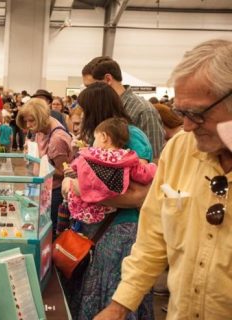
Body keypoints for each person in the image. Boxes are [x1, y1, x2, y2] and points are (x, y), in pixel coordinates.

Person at [94, 39, 232, 320]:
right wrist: (120, 306)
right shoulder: (181, 148)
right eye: (182, 113)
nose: (188, 126)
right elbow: (153, 236)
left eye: (198, 114)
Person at [65, 82, 154, 320]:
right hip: (97, 231)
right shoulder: (96, 138)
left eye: (84, 111)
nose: (81, 117)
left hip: (119, 230)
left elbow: (140, 194)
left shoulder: (132, 136)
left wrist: (82, 190)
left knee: (116, 298)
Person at [62, 118, 156, 224]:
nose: (93, 142)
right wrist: (153, 168)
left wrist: (71, 170)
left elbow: (76, 166)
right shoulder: (127, 157)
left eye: (95, 138)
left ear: (104, 137)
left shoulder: (90, 154)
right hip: (113, 206)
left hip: (88, 206)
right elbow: (142, 174)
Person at [82, 56, 165, 159]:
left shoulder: (144, 111)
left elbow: (156, 158)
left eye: (90, 87)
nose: (86, 93)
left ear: (108, 79)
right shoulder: (96, 108)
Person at [16, 98, 74, 234]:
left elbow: (64, 172)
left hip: (55, 192)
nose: (28, 125)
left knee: (49, 231)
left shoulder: (57, 139)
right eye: (26, 121)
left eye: (31, 121)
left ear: (41, 117)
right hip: (44, 188)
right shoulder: (41, 128)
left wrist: (40, 162)